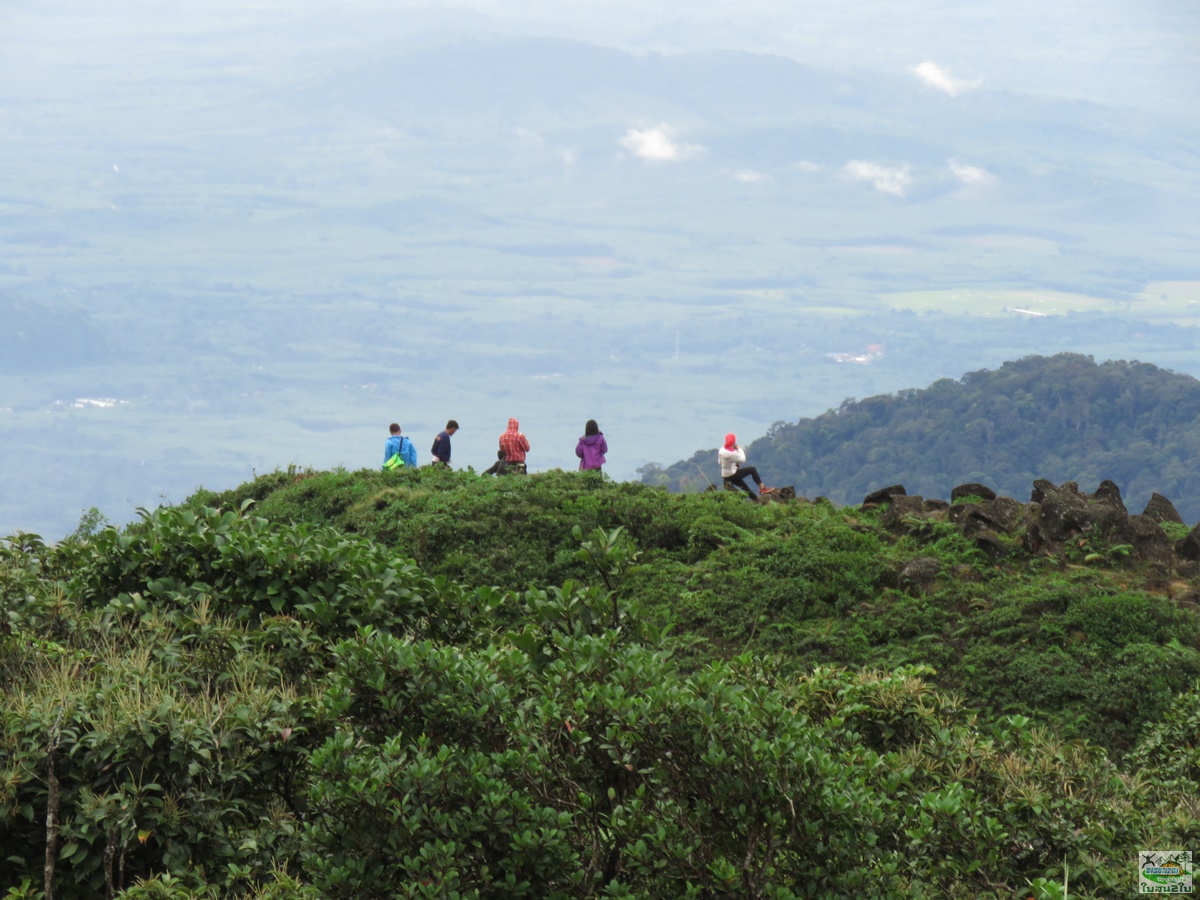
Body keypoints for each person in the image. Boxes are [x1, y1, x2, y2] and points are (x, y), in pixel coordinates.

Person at [718, 433, 773, 499]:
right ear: (733, 442)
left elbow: (719, 462)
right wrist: (739, 449)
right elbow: (743, 460)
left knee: (745, 487)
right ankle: (762, 488)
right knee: (752, 470)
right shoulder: (733, 453)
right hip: (732, 474)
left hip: (725, 475)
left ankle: (756, 499)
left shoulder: (721, 450)